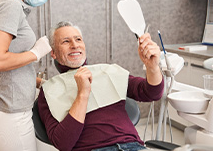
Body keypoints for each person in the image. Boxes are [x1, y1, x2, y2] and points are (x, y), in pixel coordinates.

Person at [37, 21, 164, 151]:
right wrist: (82, 94)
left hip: (133, 146)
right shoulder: (48, 91)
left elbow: (152, 93)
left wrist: (152, 66)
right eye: (66, 41)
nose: (75, 45)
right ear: (53, 53)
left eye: (78, 39)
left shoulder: (107, 71)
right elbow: (63, 143)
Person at [0, 0, 60, 151]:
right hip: (8, 114)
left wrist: (40, 82)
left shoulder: (9, 3)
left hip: (2, 107)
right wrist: (36, 53)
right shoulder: (10, 6)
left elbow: (11, 65)